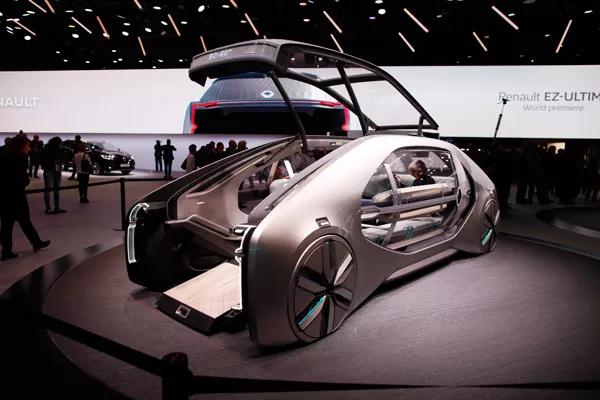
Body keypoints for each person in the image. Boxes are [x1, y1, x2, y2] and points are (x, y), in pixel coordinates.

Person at [0, 135, 51, 260]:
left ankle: (8, 250)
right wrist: (26, 180)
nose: (29, 148)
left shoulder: (4, 156)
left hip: (5, 196)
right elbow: (22, 179)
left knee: (8, 223)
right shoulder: (20, 159)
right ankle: (34, 243)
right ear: (21, 146)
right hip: (16, 196)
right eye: (27, 145)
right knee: (22, 221)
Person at [41, 136, 66, 214]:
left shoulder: (56, 149)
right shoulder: (47, 149)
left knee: (54, 189)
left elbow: (61, 158)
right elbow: (44, 159)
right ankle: (51, 208)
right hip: (50, 169)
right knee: (50, 189)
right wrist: (54, 161)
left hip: (55, 169)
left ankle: (53, 208)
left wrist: (59, 160)